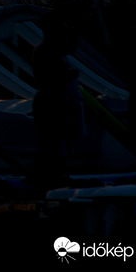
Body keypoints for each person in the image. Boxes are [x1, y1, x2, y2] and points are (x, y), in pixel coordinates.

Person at [30, 18, 85, 186]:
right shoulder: (47, 51)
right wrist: (69, 75)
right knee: (51, 143)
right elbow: (51, 79)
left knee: (55, 142)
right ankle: (48, 176)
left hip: (54, 102)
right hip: (51, 103)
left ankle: (51, 174)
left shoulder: (50, 51)